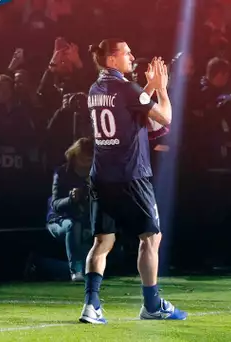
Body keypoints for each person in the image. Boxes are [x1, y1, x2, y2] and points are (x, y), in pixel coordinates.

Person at [79, 38, 187, 324]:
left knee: (102, 241)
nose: (132, 56)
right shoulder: (127, 88)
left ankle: (91, 305)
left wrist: (147, 87)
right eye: (126, 53)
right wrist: (162, 89)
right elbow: (163, 117)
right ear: (111, 60)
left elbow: (132, 105)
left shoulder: (95, 88)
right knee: (152, 238)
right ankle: (152, 305)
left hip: (101, 176)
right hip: (131, 175)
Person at [46, 137, 93, 282]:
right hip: (58, 221)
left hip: (85, 223)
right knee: (73, 225)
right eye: (83, 159)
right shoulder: (62, 173)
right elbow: (55, 205)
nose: (86, 164)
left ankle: (40, 264)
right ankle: (75, 271)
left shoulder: (94, 175)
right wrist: (71, 199)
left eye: (90, 159)